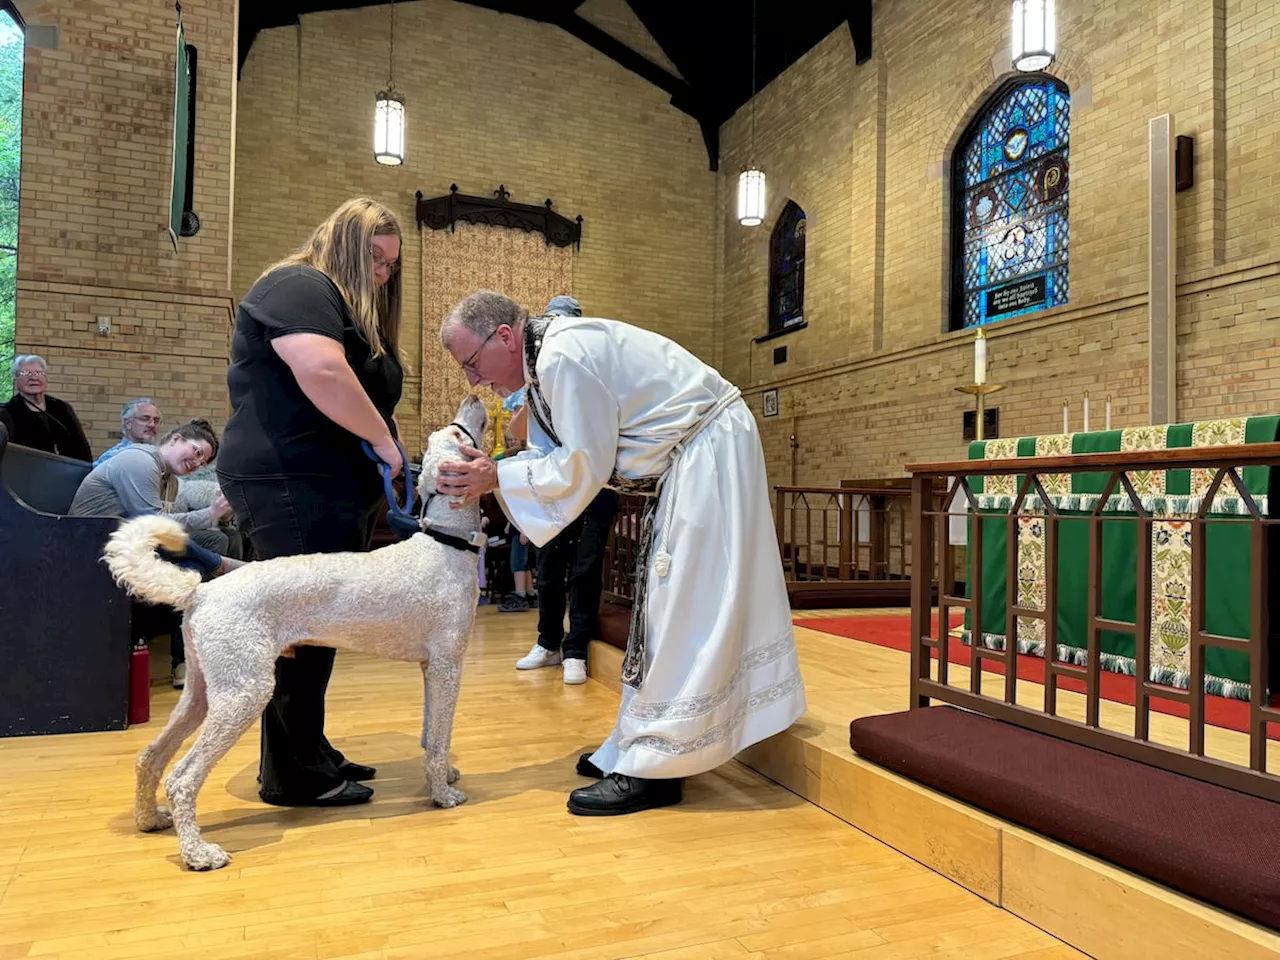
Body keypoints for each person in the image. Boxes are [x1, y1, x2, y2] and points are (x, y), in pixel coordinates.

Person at [436, 291, 806, 816]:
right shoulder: (542, 364)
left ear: (503, 336)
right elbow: (552, 454)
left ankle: (659, 765)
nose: (474, 380)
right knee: (663, 604)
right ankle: (638, 746)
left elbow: (583, 463)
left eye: (471, 363)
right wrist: (496, 470)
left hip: (708, 449)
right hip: (688, 458)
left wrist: (494, 475)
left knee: (681, 603)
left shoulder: (561, 355)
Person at [217, 197, 404, 809]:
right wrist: (381, 438)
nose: (383, 274)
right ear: (346, 245)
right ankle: (292, 772)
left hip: (324, 485)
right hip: (289, 480)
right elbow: (322, 372)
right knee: (293, 627)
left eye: (389, 266)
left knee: (315, 626)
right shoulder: (298, 283)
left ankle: (310, 748)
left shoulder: (340, 306)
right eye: (375, 259)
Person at [69, 418, 242, 687]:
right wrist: (209, 514)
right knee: (196, 558)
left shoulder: (168, 479)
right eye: (196, 452)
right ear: (176, 439)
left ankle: (186, 660)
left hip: (127, 543)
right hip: (86, 546)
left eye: (203, 462)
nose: (197, 464)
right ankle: (219, 566)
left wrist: (212, 516)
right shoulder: (139, 461)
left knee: (206, 551)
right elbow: (155, 524)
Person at [512, 296, 618, 686]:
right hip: (553, 480)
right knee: (549, 567)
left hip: (596, 481)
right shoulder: (537, 374)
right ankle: (548, 643)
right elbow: (518, 435)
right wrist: (529, 397)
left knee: (585, 569)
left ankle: (576, 649)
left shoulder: (591, 368)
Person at [0, 355, 92, 461]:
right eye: (26, 373)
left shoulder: (62, 408)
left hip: (66, 472)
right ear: (16, 379)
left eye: (39, 373)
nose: (33, 377)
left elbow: (81, 447)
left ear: (45, 378)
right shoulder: (7, 413)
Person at [95, 398, 163, 467]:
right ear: (128, 423)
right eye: (145, 419)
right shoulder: (113, 458)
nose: (152, 425)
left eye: (156, 420)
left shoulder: (161, 455)